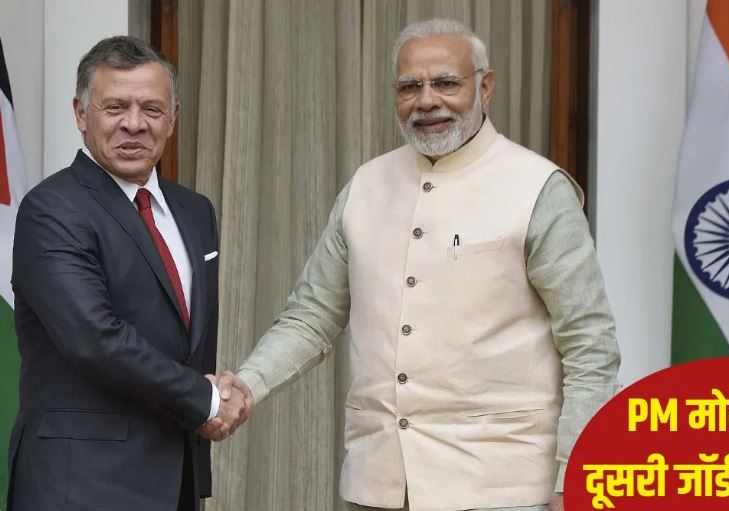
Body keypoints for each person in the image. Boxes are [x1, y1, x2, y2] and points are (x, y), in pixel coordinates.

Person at [219, 18, 620, 511]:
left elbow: (590, 345)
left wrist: (576, 477)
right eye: (410, 87)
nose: (427, 101)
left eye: (446, 83)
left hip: (502, 490)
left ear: (486, 87)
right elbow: (311, 316)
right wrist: (246, 385)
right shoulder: (366, 186)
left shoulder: (537, 188)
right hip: (378, 486)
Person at [6, 36, 247, 511]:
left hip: (175, 480)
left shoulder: (195, 211)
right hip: (80, 487)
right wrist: (205, 399)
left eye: (152, 109)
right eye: (115, 107)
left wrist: (207, 405)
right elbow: (95, 338)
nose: (134, 124)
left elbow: (189, 342)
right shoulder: (52, 210)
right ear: (81, 114)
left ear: (173, 118)